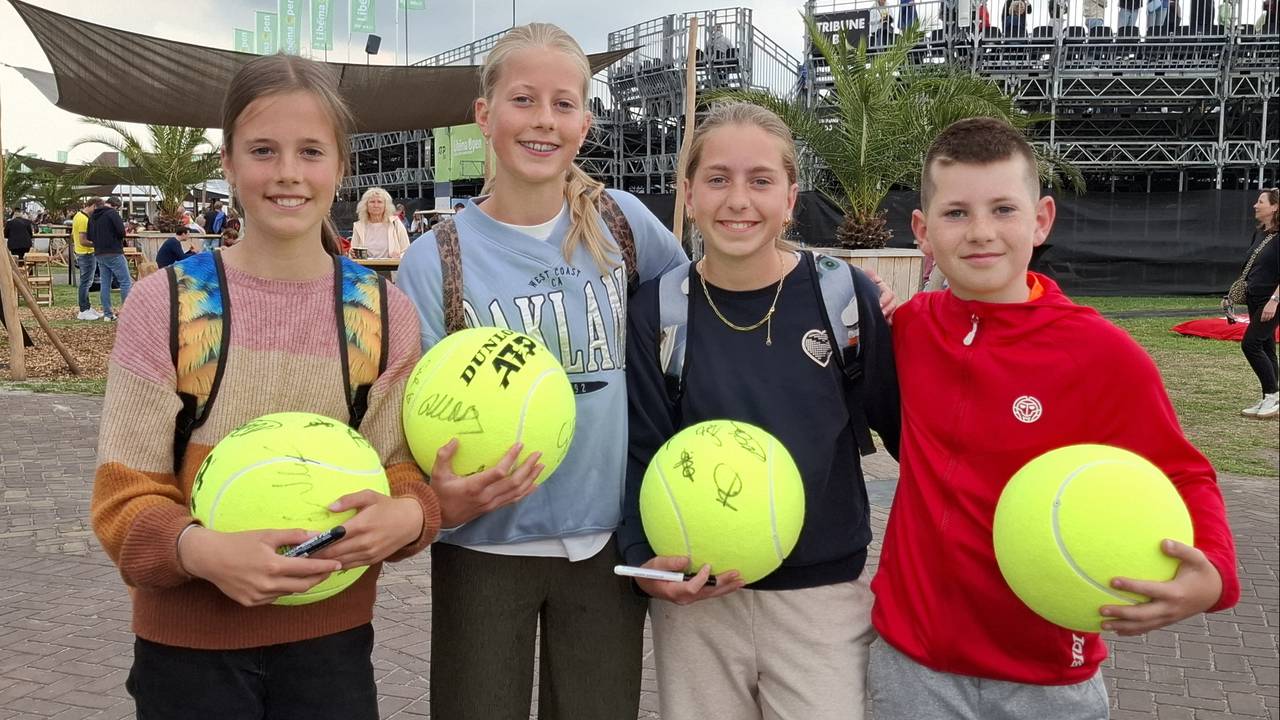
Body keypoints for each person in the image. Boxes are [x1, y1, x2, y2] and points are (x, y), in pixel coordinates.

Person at [88, 53, 441, 720]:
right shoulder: (166, 304)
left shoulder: (382, 313)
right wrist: (200, 550)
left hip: (330, 650)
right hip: (186, 656)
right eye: (263, 150)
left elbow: (398, 470)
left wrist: (411, 515)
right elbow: (121, 499)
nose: (287, 172)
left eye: (310, 150)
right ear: (227, 164)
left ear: (341, 166)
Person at [868, 117, 1241, 719]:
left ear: (1041, 220)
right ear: (923, 231)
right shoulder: (909, 329)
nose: (981, 232)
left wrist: (1215, 574)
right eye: (956, 213)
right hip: (913, 665)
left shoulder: (1100, 353)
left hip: (1048, 677)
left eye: (1003, 210)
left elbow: (1183, 472)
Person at [395, 22, 687, 720]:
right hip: (484, 544)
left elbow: (707, 301)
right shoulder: (434, 259)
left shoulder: (625, 224)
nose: (544, 121)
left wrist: (822, 284)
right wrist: (440, 495)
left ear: (586, 121)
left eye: (564, 103)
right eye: (524, 100)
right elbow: (413, 415)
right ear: (483, 115)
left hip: (608, 541)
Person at [619, 102, 901, 720]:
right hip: (698, 601)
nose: (737, 199)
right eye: (717, 179)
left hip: (822, 597)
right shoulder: (656, 311)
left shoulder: (843, 297)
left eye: (760, 180)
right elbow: (642, 450)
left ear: (791, 196)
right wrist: (645, 561)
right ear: (688, 193)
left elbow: (909, 432)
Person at [1237, 188, 1279, 419]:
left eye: (1260, 201)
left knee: (1250, 344)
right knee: (1266, 346)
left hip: (1271, 299)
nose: (1255, 205)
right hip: (1255, 296)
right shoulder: (1261, 233)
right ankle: (1270, 397)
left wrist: (1274, 300)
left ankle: (1272, 395)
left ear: (1275, 207)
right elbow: (1250, 267)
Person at [89, 196, 129, 321]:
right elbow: (122, 232)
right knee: (125, 282)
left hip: (99, 252)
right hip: (114, 251)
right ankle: (128, 313)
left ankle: (107, 313)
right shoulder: (113, 214)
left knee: (105, 283)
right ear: (116, 206)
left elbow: (90, 235)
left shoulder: (93, 216)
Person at [351, 187, 410, 259]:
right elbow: (352, 252)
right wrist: (352, 253)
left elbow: (407, 250)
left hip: (391, 269)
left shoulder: (395, 223)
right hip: (365, 269)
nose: (376, 205)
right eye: (372, 202)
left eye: (379, 202)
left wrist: (399, 256)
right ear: (365, 205)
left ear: (386, 205)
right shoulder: (358, 226)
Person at [72, 198, 103, 320]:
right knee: (86, 282)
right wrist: (98, 243)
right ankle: (83, 309)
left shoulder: (79, 216)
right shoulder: (83, 219)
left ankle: (87, 307)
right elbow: (83, 240)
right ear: (93, 206)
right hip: (86, 253)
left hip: (85, 253)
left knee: (87, 281)